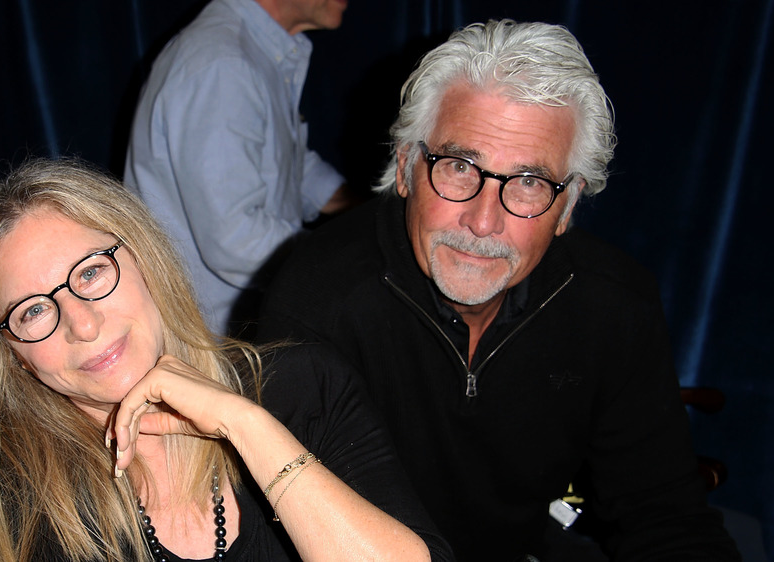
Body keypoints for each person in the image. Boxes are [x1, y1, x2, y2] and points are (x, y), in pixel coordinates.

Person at [258, 19, 741, 562]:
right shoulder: (317, 300)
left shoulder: (613, 305)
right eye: (461, 167)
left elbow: (665, 518)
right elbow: (281, 533)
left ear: (568, 207)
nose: (483, 222)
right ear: (405, 167)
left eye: (530, 182)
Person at [0, 158, 450, 561]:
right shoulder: (15, 503)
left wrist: (245, 425)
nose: (82, 324)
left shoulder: (305, 389)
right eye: (33, 312)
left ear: (145, 258)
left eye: (92, 273)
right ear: (12, 356)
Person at [123, 0, 357, 336]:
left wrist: (364, 208)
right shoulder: (223, 63)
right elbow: (234, 237)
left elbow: (288, 164)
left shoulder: (247, 51)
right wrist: (350, 261)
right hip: (217, 343)